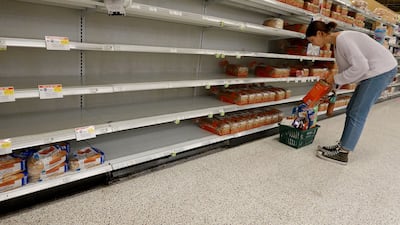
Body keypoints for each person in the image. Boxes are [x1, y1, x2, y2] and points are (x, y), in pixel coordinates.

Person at [305, 21, 397, 165]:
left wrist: (334, 79)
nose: (313, 44)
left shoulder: (343, 40)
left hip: (380, 71)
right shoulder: (338, 43)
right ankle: (342, 146)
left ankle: (342, 153)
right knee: (352, 109)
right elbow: (344, 72)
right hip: (374, 72)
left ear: (319, 34)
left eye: (312, 40)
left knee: (357, 112)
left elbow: (360, 67)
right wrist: (330, 91)